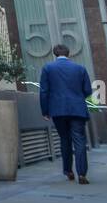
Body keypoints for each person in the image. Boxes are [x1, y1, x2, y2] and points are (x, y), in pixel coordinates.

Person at [39, 43, 92, 183]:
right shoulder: (80, 68)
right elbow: (88, 90)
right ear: (69, 54)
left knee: (64, 139)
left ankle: (68, 171)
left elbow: (44, 91)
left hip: (58, 110)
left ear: (55, 54)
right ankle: (82, 174)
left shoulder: (48, 68)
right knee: (79, 140)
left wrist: (45, 110)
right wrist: (77, 98)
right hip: (77, 109)